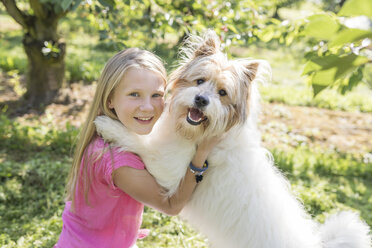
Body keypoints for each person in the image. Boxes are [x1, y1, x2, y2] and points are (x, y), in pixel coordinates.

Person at [55, 48, 219, 248]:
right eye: (135, 94)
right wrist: (201, 153)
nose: (148, 107)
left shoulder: (105, 132)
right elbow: (171, 205)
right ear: (110, 99)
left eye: (157, 95)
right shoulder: (118, 162)